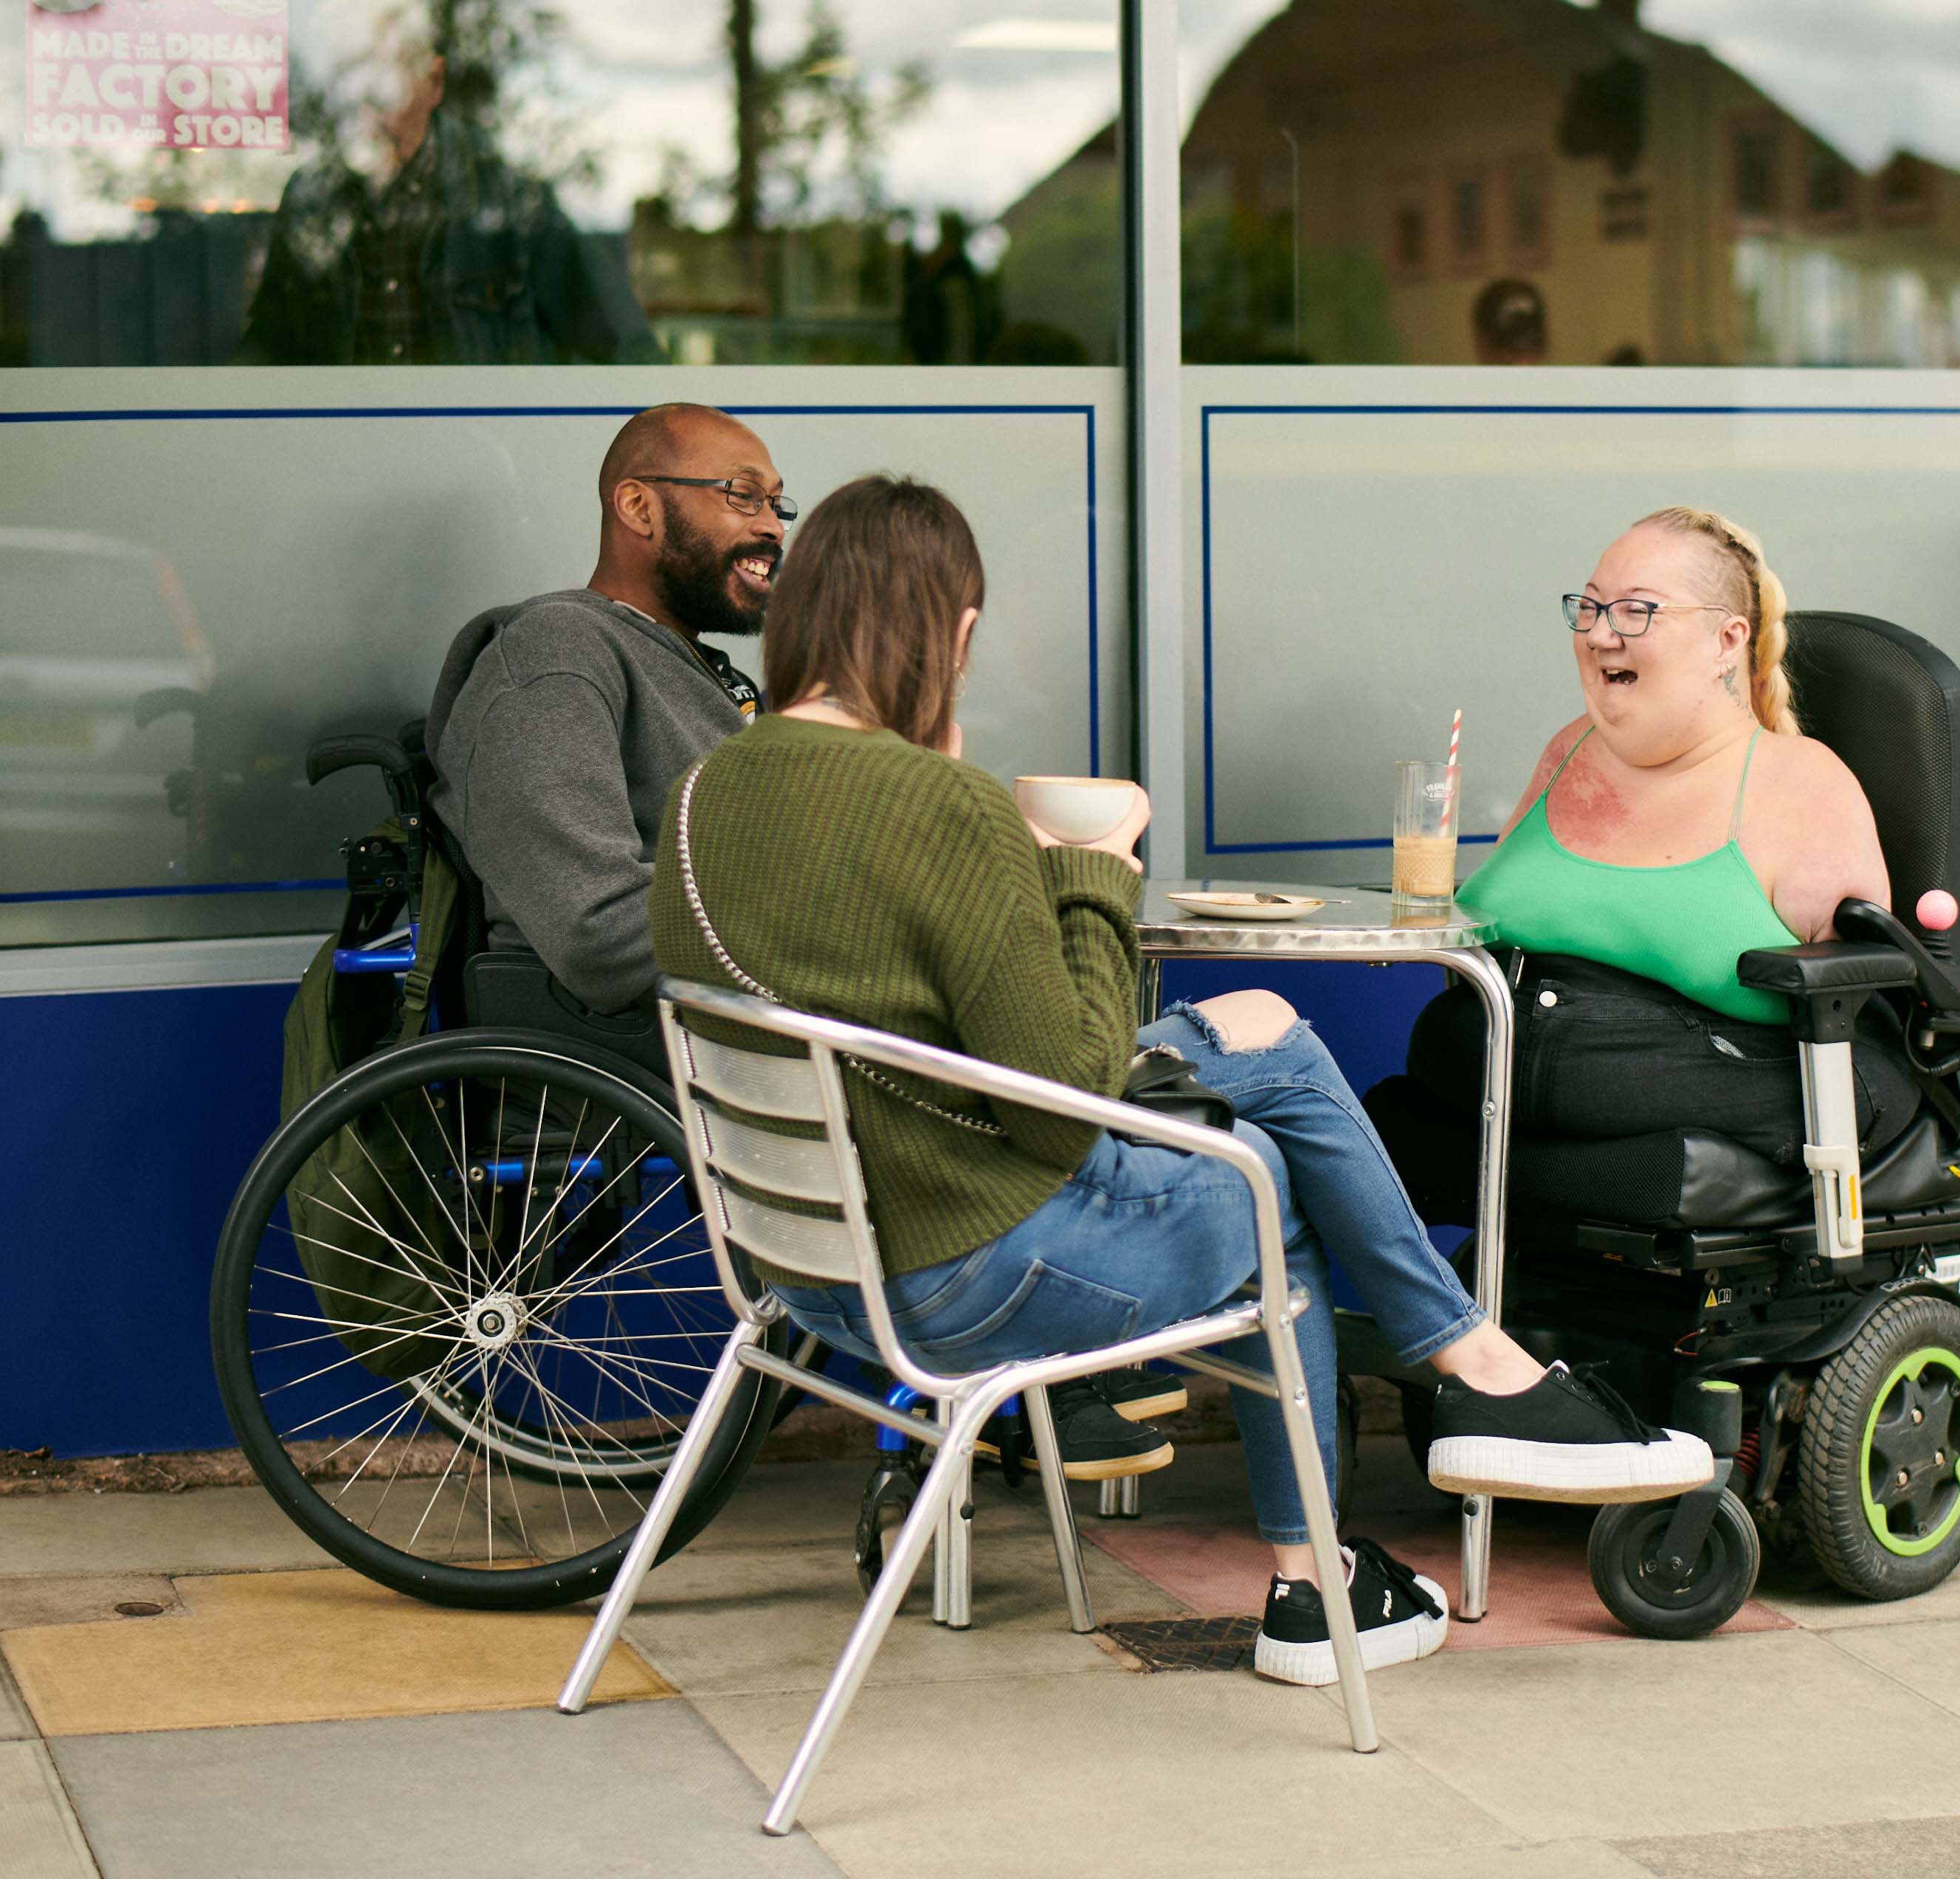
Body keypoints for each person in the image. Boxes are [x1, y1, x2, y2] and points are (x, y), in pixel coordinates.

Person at [653, 474, 1713, 1686]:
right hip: (957, 1277)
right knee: (1269, 1183)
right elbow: (1062, 1097)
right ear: (948, 632)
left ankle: (1465, 1380)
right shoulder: (940, 806)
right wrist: (1094, 873)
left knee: (1257, 1042)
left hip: (801, 1272)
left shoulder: (704, 790)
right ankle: (1346, 1549)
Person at [1400, 506, 1916, 1178]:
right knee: (1362, 1115)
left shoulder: (1800, 781)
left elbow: (1855, 993)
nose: (1599, 635)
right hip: (1487, 1064)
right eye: (1588, 608)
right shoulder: (1568, 749)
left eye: (1637, 611)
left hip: (1688, 1077)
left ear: (1727, 642)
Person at [427, 404, 777, 1021]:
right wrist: (828, 920)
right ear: (639, 508)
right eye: (744, 496)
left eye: (778, 504)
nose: (774, 526)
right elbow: (600, 933)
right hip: (652, 1071)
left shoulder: (706, 673)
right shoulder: (557, 656)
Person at [240, 10, 657, 365]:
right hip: (343, 447)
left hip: (482, 449)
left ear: (434, 82)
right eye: (348, 85)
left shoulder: (511, 199)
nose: (364, 106)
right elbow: (269, 345)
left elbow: (621, 344)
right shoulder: (311, 198)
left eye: (384, 84)